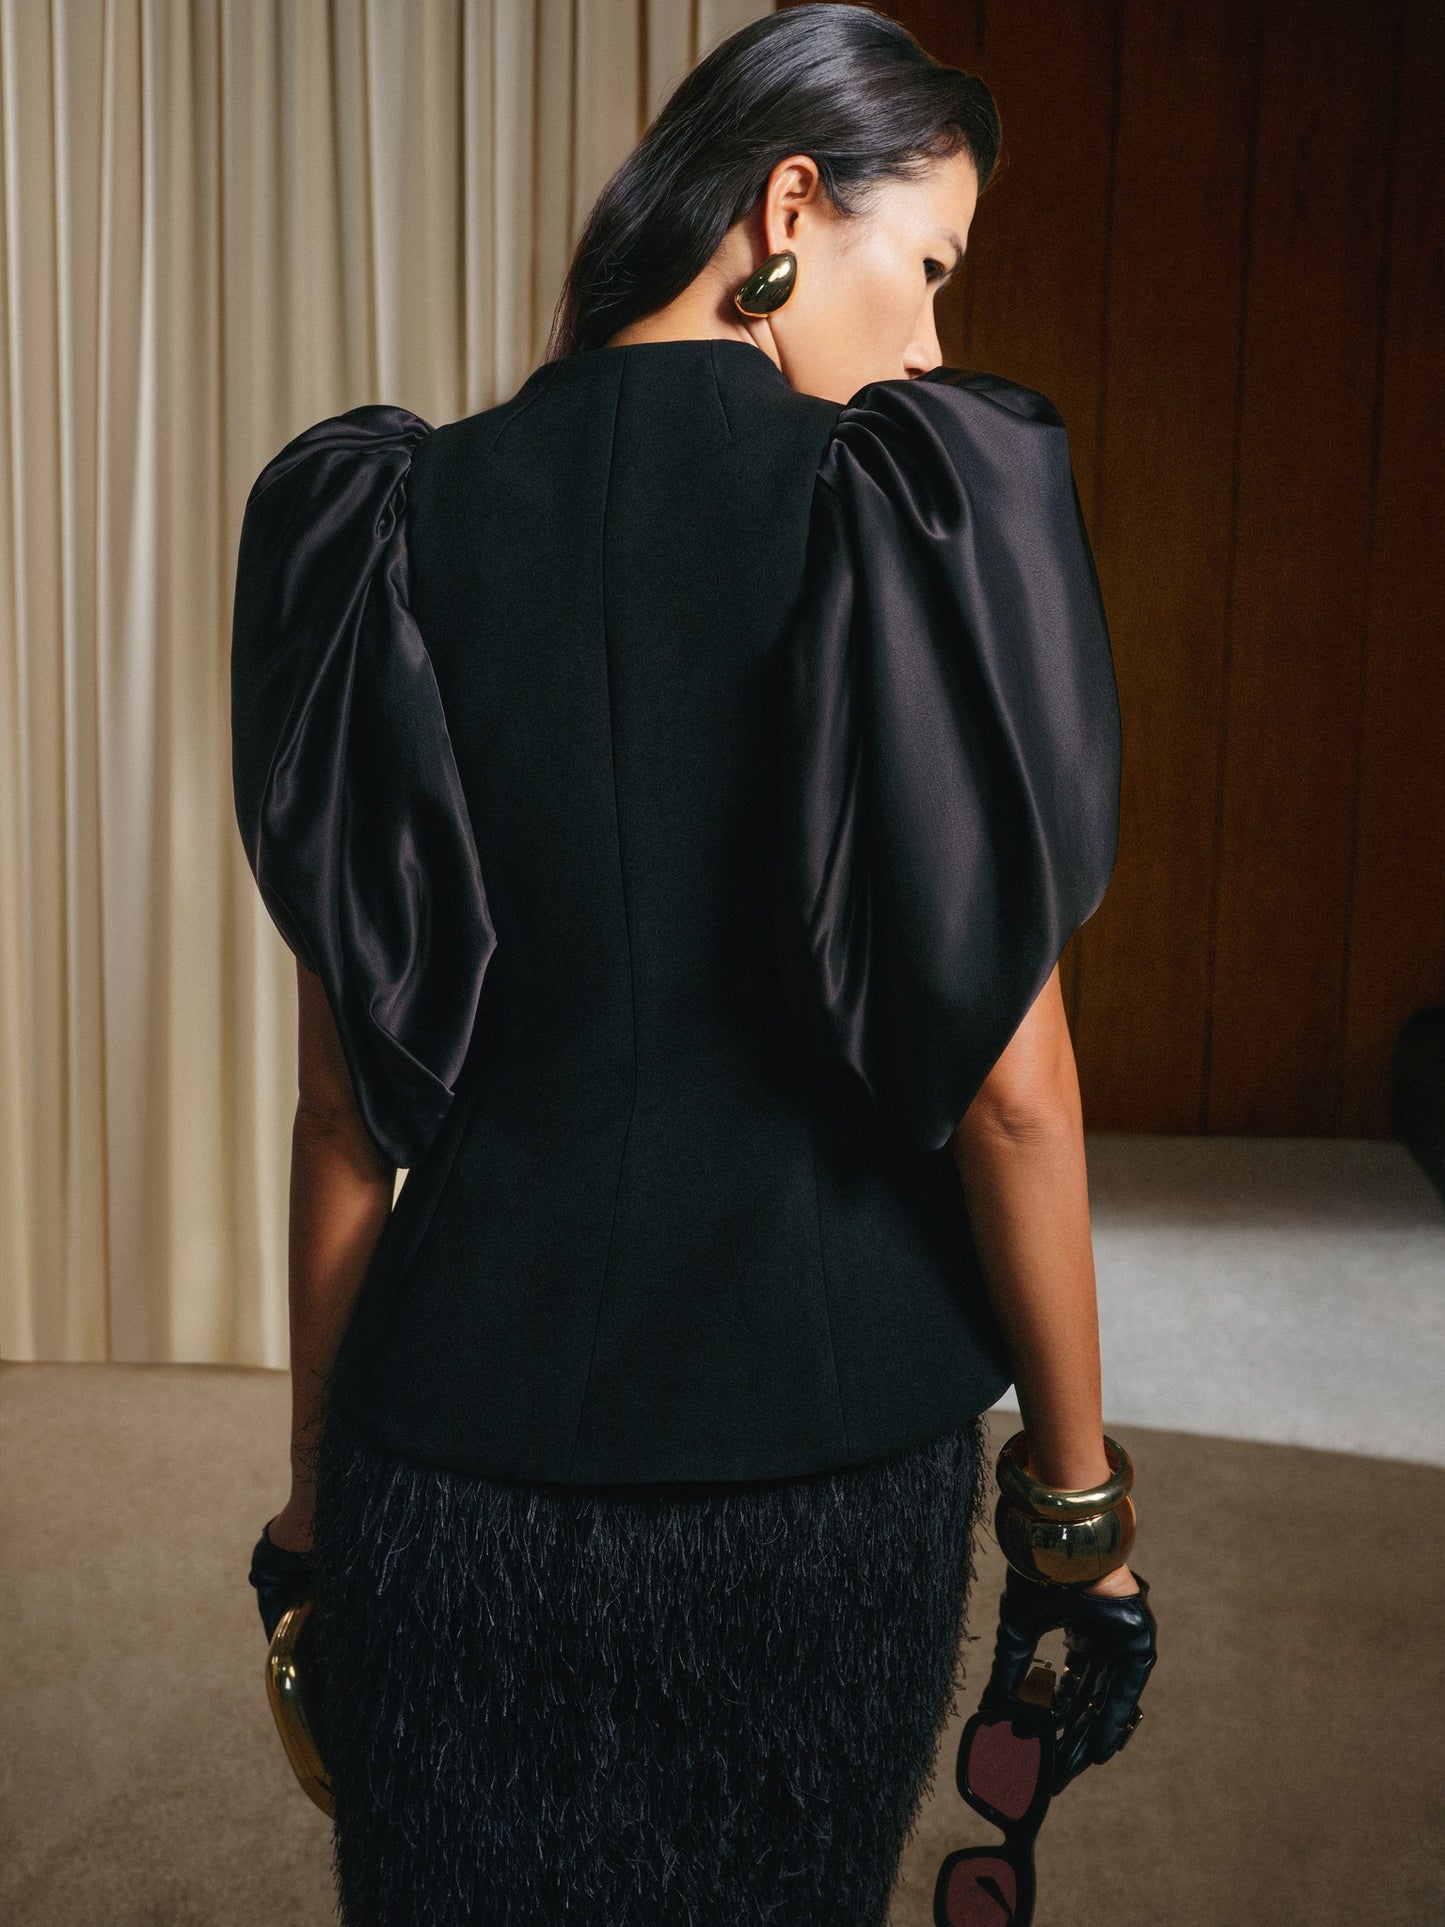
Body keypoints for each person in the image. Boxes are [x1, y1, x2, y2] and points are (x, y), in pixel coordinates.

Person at [236, 6, 1158, 1923]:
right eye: (928, 270)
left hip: (451, 1445)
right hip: (815, 1465)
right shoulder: (913, 520)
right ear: (790, 205)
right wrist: (1075, 1524)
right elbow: (1011, 1091)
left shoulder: (379, 525)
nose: (927, 344)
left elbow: (347, 1113)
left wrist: (315, 1505)